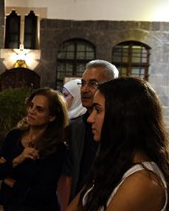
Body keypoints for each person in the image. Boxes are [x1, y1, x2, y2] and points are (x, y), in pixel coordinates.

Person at [66, 77, 169, 211]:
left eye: (98, 110)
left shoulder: (143, 181)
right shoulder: (113, 164)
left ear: (122, 116)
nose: (91, 119)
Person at [0, 87, 69, 211]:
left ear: (52, 117)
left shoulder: (57, 148)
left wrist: (10, 181)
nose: (32, 111)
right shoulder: (14, 136)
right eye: (31, 106)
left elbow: (43, 193)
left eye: (40, 109)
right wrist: (17, 160)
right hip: (10, 205)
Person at [63, 60, 119, 203]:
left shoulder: (121, 130)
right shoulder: (74, 128)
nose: (84, 89)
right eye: (83, 83)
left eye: (93, 84)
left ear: (112, 87)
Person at [58, 79, 87, 211]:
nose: (63, 100)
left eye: (66, 95)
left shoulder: (78, 124)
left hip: (70, 176)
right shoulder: (68, 119)